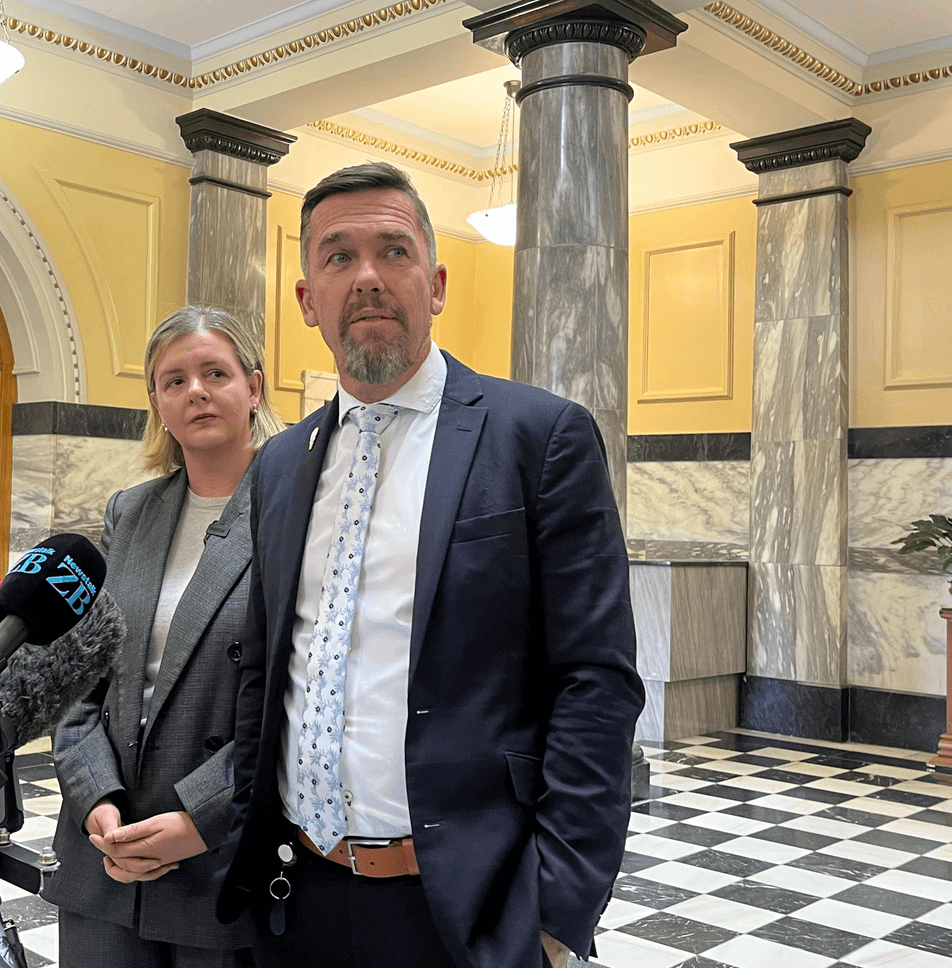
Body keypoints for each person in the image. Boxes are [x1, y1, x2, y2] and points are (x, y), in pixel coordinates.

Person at [216, 163, 644, 968]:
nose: (369, 278)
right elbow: (267, 673)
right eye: (338, 257)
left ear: (436, 282)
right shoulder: (278, 463)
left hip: (465, 909)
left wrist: (555, 914)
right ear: (308, 300)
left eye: (394, 251)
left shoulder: (537, 437)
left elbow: (596, 683)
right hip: (294, 897)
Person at [45, 306, 286, 967]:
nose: (195, 392)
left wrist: (197, 821)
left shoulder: (291, 518)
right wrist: (96, 797)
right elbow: (76, 676)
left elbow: (295, 706)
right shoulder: (131, 511)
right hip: (104, 854)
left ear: (254, 388)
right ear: (155, 401)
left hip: (219, 859)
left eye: (215, 372)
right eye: (173, 380)